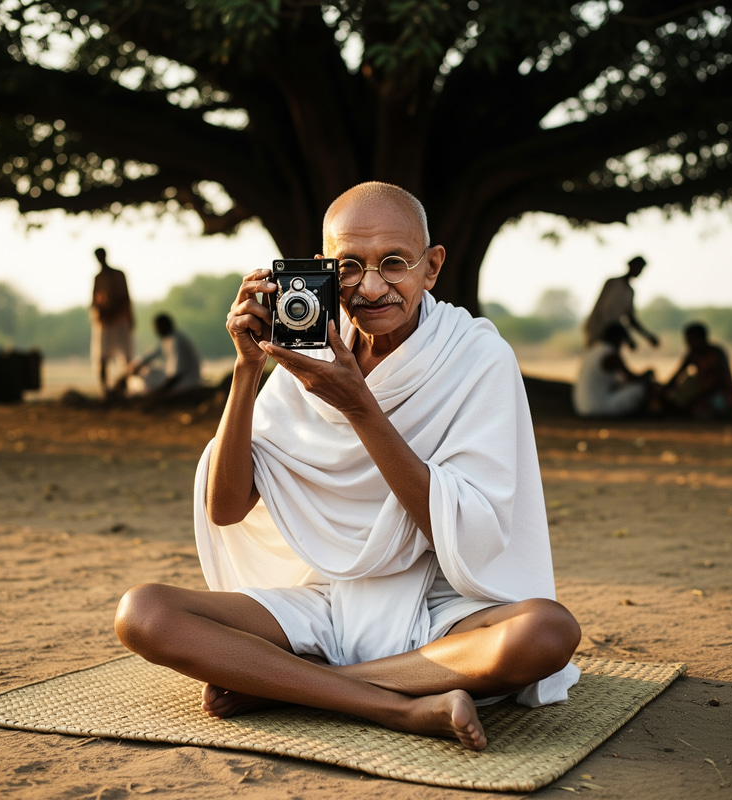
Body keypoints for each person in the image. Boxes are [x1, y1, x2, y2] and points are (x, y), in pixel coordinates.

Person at [115, 182, 581, 751]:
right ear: (323, 270)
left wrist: (359, 405)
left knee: (546, 632)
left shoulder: (477, 356)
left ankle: (295, 685)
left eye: (394, 263)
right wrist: (247, 369)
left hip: (438, 608)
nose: (372, 287)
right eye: (350, 266)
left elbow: (465, 531)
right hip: (323, 601)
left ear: (432, 267)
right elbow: (227, 507)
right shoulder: (308, 352)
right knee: (143, 612)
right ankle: (397, 704)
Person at [572, 322, 657, 418]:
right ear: (617, 339)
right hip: (598, 408)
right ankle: (655, 411)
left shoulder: (592, 351)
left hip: (582, 408)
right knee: (642, 388)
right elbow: (631, 378)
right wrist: (647, 374)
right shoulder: (610, 355)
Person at [663, 321, 732, 420]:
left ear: (700, 339)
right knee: (688, 381)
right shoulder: (693, 354)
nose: (688, 343)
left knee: (711, 406)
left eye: (690, 340)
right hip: (702, 394)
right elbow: (678, 373)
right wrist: (664, 389)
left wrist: (695, 399)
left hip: (720, 395)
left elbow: (718, 382)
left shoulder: (716, 354)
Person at [583, 255, 660, 349]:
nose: (639, 271)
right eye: (638, 267)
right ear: (630, 265)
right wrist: (627, 337)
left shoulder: (630, 291)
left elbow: (630, 317)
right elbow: (603, 311)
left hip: (613, 333)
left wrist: (647, 336)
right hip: (598, 329)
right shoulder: (612, 283)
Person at [123, 313, 202, 399]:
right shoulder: (168, 340)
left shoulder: (176, 341)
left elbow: (176, 374)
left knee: (149, 373)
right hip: (183, 381)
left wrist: (160, 392)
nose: (156, 331)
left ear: (164, 325)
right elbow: (150, 356)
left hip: (187, 383)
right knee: (145, 369)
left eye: (157, 327)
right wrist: (132, 368)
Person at [90, 247, 134, 397]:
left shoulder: (119, 275)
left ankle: (124, 387)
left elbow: (125, 298)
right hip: (104, 321)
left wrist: (127, 317)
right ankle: (105, 389)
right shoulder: (98, 278)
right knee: (102, 356)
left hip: (119, 318)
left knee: (125, 355)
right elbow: (95, 301)